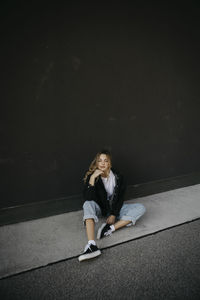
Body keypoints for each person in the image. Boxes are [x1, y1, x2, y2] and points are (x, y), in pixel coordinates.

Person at [78, 150, 146, 262]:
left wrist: (114, 214)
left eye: (105, 160)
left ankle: (109, 228)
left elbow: (120, 198)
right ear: (97, 163)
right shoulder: (93, 176)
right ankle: (92, 245)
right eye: (100, 160)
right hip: (101, 208)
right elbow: (88, 197)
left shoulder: (118, 177)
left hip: (115, 208)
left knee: (141, 208)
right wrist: (92, 179)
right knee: (87, 204)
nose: (102, 163)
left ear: (109, 163)